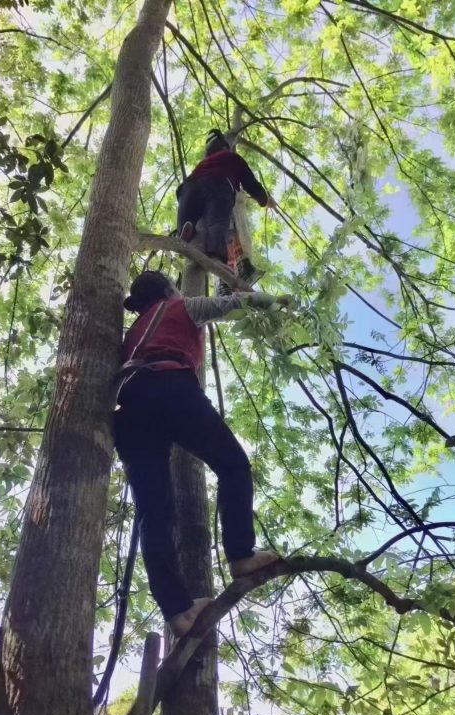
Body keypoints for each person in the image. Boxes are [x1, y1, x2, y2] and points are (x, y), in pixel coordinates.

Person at [113, 270, 291, 636]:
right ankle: (241, 554)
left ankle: (177, 610)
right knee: (233, 465)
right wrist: (274, 302)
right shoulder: (180, 306)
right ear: (167, 290)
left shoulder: (132, 334)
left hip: (130, 408)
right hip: (171, 388)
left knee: (154, 512)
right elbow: (234, 303)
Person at [177, 129, 277, 287]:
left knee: (188, 215)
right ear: (225, 148)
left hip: (188, 188)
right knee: (216, 223)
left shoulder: (203, 163)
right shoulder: (232, 157)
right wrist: (265, 200)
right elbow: (251, 184)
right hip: (218, 184)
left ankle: (183, 234)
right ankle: (216, 257)